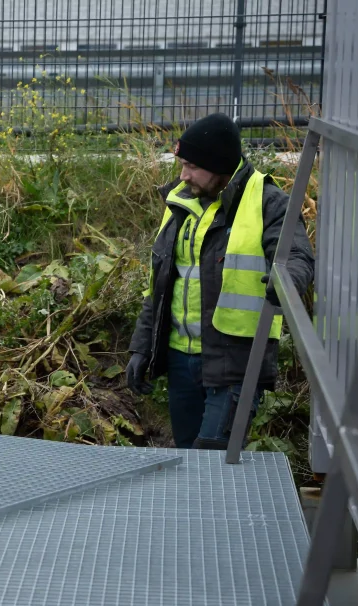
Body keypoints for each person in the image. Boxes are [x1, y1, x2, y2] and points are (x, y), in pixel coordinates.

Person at [125, 112, 314, 449]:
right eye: (182, 164)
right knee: (186, 459)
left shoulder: (268, 202)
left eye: (192, 166)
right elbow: (162, 284)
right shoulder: (181, 203)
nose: (183, 176)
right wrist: (142, 347)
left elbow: (297, 256)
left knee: (212, 459)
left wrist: (285, 281)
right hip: (182, 360)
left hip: (234, 363)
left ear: (219, 167)